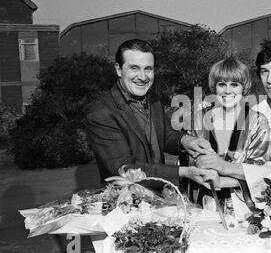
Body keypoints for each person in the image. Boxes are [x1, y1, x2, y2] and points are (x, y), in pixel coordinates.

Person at [83, 39, 222, 191]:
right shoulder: (101, 113)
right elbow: (125, 170)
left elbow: (164, 135)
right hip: (125, 202)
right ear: (118, 69)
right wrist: (185, 172)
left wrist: (186, 140)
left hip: (158, 198)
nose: (142, 77)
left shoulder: (153, 100)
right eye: (134, 68)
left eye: (148, 69)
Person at [191, 57, 271, 215]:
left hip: (242, 207)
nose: (228, 91)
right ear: (215, 87)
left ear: (244, 88)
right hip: (204, 203)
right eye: (222, 84)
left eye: (234, 84)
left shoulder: (257, 122)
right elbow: (192, 164)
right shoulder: (200, 119)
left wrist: (221, 174)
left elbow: (259, 172)